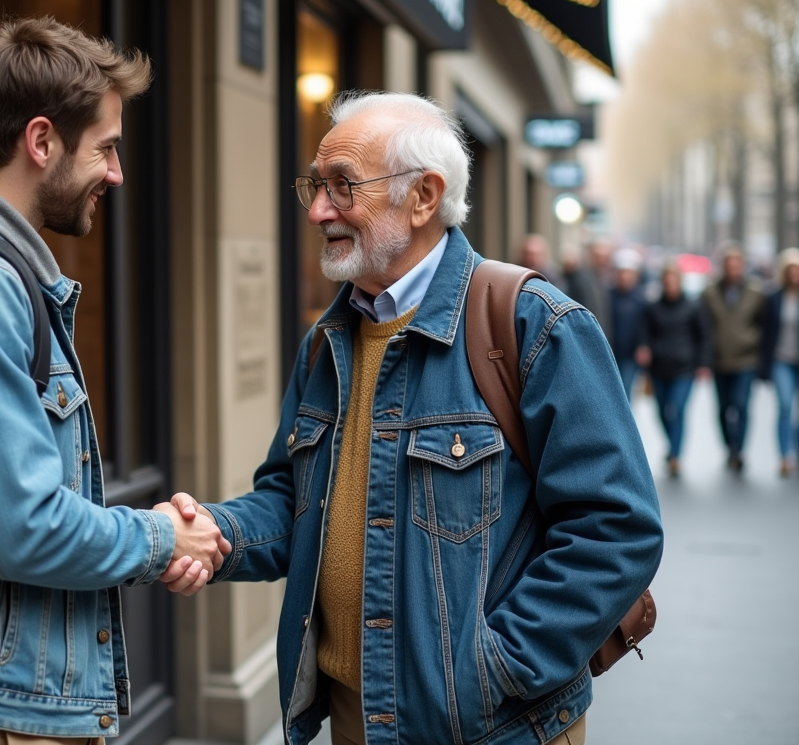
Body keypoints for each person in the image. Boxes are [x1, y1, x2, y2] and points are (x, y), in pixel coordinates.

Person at [159, 92, 663, 745]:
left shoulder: (533, 324)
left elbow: (615, 530)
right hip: (354, 725)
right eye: (315, 186)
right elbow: (292, 501)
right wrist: (210, 532)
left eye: (342, 186)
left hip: (496, 730)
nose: (317, 210)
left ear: (424, 196)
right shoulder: (327, 341)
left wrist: (493, 670)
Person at [0, 17, 229, 742]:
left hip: (0, 701)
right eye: (107, 149)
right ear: (41, 141)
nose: (117, 175)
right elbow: (21, 529)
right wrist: (159, 538)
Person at [637, 262, 710, 477]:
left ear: (679, 282)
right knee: (661, 411)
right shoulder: (653, 307)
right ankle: (672, 444)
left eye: (674, 280)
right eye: (666, 281)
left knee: (676, 409)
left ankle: (676, 456)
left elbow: (704, 337)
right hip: (658, 367)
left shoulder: (693, 306)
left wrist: (703, 364)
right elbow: (645, 331)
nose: (670, 285)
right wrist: (644, 347)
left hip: (684, 368)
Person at [701, 244, 766, 475]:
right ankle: (729, 446)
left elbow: (763, 324)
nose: (733, 270)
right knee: (723, 408)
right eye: (729, 265)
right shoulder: (710, 292)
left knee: (741, 405)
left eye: (737, 265)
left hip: (746, 359)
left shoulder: (756, 292)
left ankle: (739, 450)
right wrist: (705, 360)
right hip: (720, 360)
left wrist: (757, 349)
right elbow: (705, 328)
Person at [759, 248, 799, 475]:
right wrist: (764, 367)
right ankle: (785, 456)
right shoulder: (774, 297)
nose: (795, 275)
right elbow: (766, 333)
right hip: (781, 359)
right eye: (791, 270)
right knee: (784, 406)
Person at [609, 248, 646, 399]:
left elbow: (645, 326)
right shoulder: (609, 296)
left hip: (631, 353)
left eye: (627, 273)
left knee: (625, 392)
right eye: (621, 273)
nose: (624, 277)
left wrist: (643, 346)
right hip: (612, 351)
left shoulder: (640, 299)